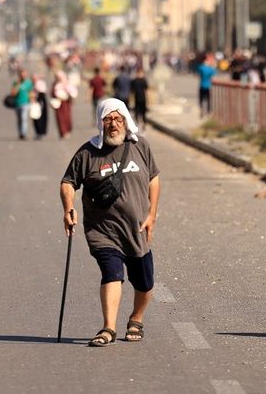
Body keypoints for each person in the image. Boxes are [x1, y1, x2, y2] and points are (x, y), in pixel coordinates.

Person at [60, 99, 161, 347]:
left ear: (125, 120)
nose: (113, 125)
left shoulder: (140, 146)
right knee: (112, 273)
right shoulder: (88, 153)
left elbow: (154, 179)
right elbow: (68, 182)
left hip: (136, 228)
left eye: (117, 119)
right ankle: (108, 328)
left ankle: (136, 318)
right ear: (100, 122)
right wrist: (68, 208)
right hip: (102, 229)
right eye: (108, 120)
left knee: (145, 282)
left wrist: (151, 215)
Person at [52, 71, 78, 139]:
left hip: (66, 103)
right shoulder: (55, 84)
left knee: (67, 118)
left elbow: (72, 93)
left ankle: (67, 130)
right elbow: (52, 93)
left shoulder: (67, 83)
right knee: (60, 119)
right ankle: (62, 132)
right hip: (59, 104)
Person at [11, 69, 33, 140]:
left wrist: (32, 101)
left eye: (24, 74)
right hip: (17, 103)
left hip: (26, 103)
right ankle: (20, 133)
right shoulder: (16, 83)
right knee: (19, 120)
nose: (23, 76)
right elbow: (13, 93)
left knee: (24, 118)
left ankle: (23, 133)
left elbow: (31, 92)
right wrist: (18, 85)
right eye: (21, 74)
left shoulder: (29, 83)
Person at [196, 53, 217, 118]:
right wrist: (213, 66)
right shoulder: (210, 69)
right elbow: (214, 75)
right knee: (208, 100)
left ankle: (202, 110)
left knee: (201, 99)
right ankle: (208, 112)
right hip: (208, 86)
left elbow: (198, 74)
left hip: (202, 85)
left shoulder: (201, 67)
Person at [31, 74, 48, 139]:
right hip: (35, 102)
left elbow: (40, 93)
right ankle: (38, 132)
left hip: (40, 100)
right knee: (35, 117)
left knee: (40, 117)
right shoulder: (32, 84)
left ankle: (41, 132)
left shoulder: (40, 84)